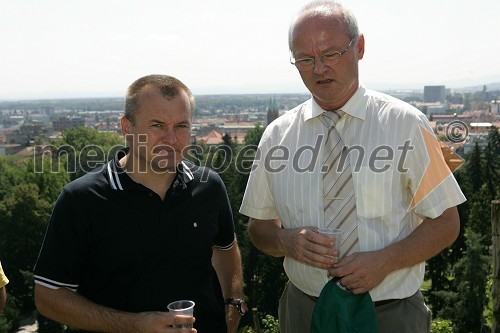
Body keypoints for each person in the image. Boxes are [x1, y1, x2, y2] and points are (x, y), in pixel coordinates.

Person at [239, 1, 466, 333]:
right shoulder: (276, 137)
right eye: (305, 59)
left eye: (331, 54)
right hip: (304, 313)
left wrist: (385, 262)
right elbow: (258, 228)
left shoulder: (408, 125)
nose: (319, 69)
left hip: (390, 315)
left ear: (359, 47)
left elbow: (447, 222)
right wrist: (287, 241)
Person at [34, 74, 245, 333]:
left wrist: (233, 307)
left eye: (181, 126)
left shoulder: (209, 186)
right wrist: (135, 325)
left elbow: (226, 249)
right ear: (127, 128)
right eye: (157, 125)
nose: (172, 139)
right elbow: (48, 296)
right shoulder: (81, 200)